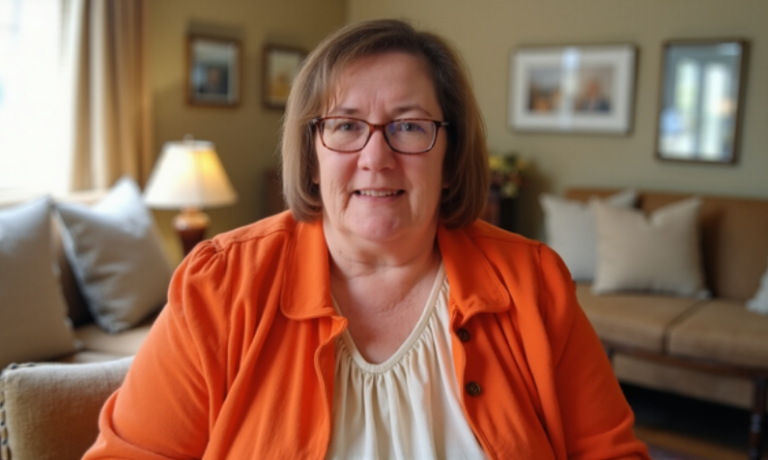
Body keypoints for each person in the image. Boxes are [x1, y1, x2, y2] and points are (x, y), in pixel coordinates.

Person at [84, 19, 650, 459]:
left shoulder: (534, 284)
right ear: (312, 158)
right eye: (346, 125)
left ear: (450, 158)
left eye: (410, 125)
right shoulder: (218, 286)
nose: (376, 158)